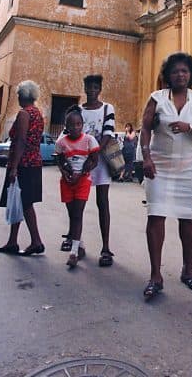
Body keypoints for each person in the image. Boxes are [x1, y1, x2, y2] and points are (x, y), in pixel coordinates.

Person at [140, 52, 192, 299]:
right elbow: (146, 129)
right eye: (175, 71)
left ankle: (188, 269)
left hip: (187, 169)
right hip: (158, 166)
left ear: (191, 74)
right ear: (168, 75)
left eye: (184, 71)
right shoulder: (156, 98)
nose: (180, 75)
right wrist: (146, 158)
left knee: (186, 219)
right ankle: (155, 276)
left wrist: (189, 127)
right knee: (156, 217)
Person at [0, 80, 45, 255]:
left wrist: (14, 167)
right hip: (33, 162)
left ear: (23, 96)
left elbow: (21, 140)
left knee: (24, 202)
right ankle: (13, 241)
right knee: (18, 201)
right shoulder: (38, 114)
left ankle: (36, 241)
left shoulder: (24, 114)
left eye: (18, 94)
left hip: (23, 163)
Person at [55, 105, 100, 268]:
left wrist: (81, 174)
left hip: (82, 182)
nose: (75, 128)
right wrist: (66, 174)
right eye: (71, 125)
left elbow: (94, 160)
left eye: (78, 124)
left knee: (77, 213)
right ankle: (79, 245)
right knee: (72, 214)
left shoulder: (89, 140)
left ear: (82, 125)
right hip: (66, 182)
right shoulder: (61, 142)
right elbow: (59, 160)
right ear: (65, 127)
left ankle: (73, 252)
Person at [79, 74, 116, 267]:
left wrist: (94, 154)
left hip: (100, 162)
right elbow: (70, 133)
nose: (92, 91)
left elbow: (108, 133)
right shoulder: (77, 110)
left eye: (95, 87)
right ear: (84, 89)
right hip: (81, 161)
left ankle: (106, 248)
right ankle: (78, 243)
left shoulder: (108, 108)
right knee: (79, 204)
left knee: (103, 202)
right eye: (89, 87)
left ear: (100, 89)